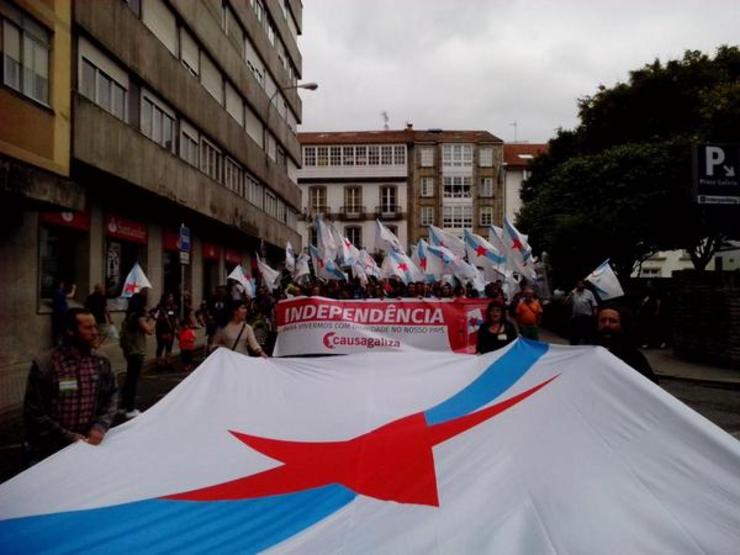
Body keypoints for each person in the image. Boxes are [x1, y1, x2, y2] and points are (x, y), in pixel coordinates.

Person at [23, 308, 117, 465]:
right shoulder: (46, 364)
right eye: (88, 328)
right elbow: (34, 411)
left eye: (95, 326)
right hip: (49, 450)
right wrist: (67, 436)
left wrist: (100, 426)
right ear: (70, 331)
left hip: (87, 446)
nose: (95, 332)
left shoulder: (101, 361)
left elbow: (112, 396)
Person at [595, 307, 658, 383]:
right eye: (602, 320)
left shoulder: (634, 356)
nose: (606, 324)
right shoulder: (588, 352)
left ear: (621, 324)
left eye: (612, 321)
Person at [119, 290, 155, 418]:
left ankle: (123, 406)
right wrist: (153, 320)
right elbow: (148, 330)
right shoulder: (139, 315)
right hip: (137, 350)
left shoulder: (129, 315)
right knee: (133, 380)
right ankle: (130, 408)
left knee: (129, 378)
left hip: (129, 350)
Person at [566, 280, 598, 345]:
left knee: (587, 336)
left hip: (586, 318)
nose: (580, 285)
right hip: (576, 318)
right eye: (578, 284)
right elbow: (566, 303)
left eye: (581, 284)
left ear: (584, 285)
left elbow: (594, 305)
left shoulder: (589, 293)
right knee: (575, 337)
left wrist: (594, 316)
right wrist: (570, 295)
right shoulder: (573, 292)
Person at [154, 292, 178, 369]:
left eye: (172, 297)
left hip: (170, 330)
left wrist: (176, 328)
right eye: (169, 297)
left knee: (169, 347)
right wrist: (163, 318)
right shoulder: (160, 308)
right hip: (161, 330)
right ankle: (159, 363)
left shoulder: (173, 308)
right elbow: (155, 317)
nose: (171, 299)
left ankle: (168, 362)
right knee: (160, 346)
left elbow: (175, 318)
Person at [51, 280, 76, 346]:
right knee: (61, 329)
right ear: (58, 285)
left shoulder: (57, 292)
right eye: (61, 284)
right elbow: (70, 296)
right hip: (61, 313)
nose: (62, 285)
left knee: (61, 329)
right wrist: (74, 288)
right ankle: (60, 346)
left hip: (60, 313)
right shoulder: (58, 292)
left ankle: (61, 344)